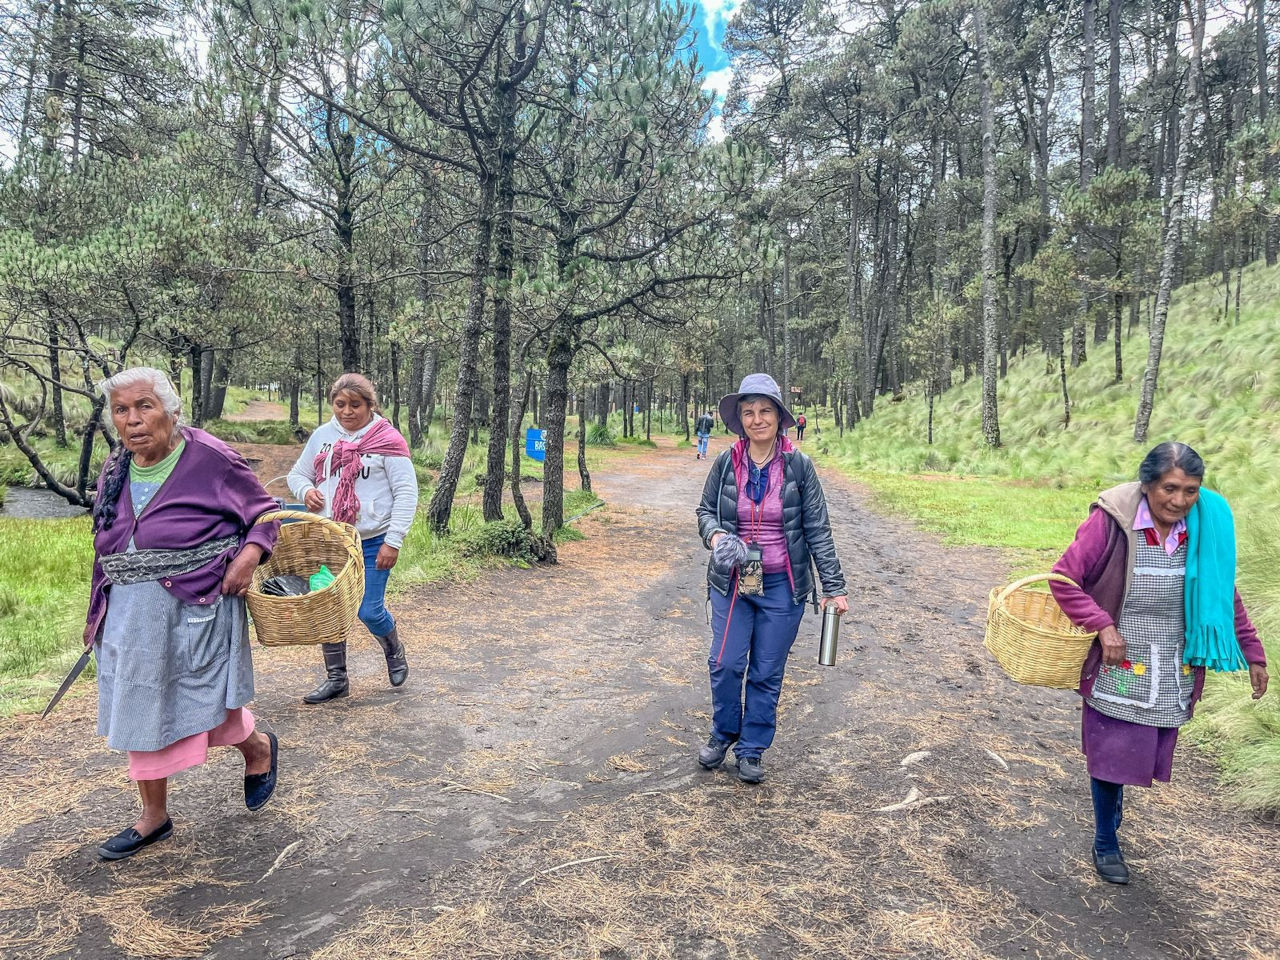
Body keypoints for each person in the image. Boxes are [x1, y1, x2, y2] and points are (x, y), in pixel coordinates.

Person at [1050, 442, 1268, 885]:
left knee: (1136, 753)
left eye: (1191, 490)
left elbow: (1224, 594)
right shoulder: (1110, 523)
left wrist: (1253, 652)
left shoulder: (1203, 529)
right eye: (1170, 488)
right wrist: (1102, 625)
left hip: (1173, 664)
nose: (1179, 501)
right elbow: (1063, 579)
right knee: (1111, 754)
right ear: (1148, 484)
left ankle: (1112, 811)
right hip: (1120, 659)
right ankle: (1106, 840)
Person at [87, 367, 281, 860]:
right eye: (121, 410)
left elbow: (264, 513)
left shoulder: (209, 458)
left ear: (171, 411)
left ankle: (256, 748)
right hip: (129, 609)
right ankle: (154, 817)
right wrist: (100, 607)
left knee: (202, 698)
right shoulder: (115, 467)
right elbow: (108, 538)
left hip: (192, 602)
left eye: (144, 406)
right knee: (138, 703)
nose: (132, 420)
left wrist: (248, 555)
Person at [695, 373, 848, 783]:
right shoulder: (726, 462)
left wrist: (833, 587)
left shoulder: (799, 467)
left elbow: (817, 528)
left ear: (779, 417)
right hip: (731, 580)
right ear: (739, 419)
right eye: (749, 412)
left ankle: (752, 748)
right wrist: (715, 535)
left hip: (783, 585)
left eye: (765, 411)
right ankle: (723, 732)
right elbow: (705, 511)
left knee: (766, 670)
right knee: (725, 663)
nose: (757, 419)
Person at [288, 373, 418, 703]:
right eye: (340, 404)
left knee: (369, 610)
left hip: (374, 540)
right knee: (328, 607)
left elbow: (406, 492)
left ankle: (394, 651)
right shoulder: (323, 436)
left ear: (370, 405)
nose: (347, 412)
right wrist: (307, 491)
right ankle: (337, 679)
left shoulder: (387, 440)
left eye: (355, 405)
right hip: (330, 540)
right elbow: (298, 474)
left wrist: (394, 540)